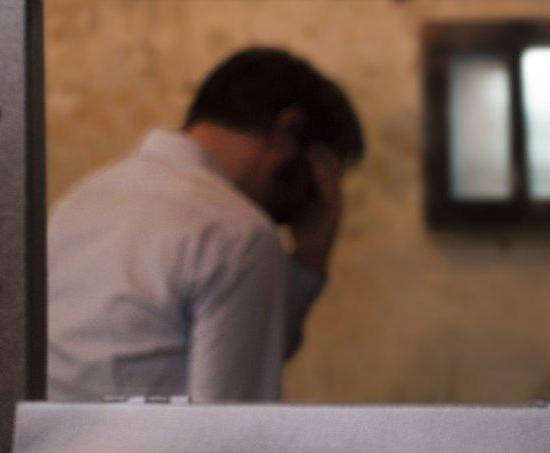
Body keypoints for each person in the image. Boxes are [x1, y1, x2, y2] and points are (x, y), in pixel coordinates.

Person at [47, 48, 364, 402]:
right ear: (287, 131)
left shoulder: (79, 200)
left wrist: (307, 261)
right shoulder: (239, 235)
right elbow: (231, 429)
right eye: (324, 176)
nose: (318, 201)